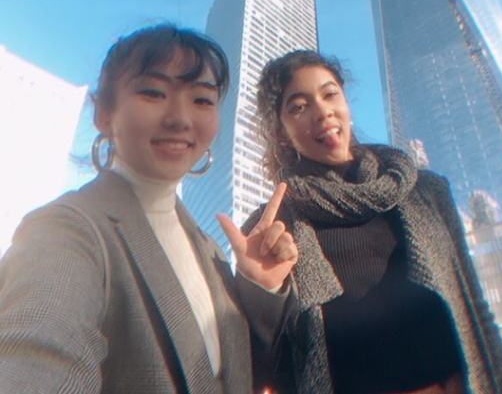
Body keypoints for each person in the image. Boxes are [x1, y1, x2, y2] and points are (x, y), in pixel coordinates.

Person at [0, 24, 298, 394]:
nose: (180, 118)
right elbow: (38, 355)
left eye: (202, 100)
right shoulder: (67, 228)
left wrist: (259, 285)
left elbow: (237, 372)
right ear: (103, 113)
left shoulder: (209, 249)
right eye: (154, 92)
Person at [244, 50, 502, 394]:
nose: (323, 111)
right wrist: (260, 290)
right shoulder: (272, 226)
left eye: (330, 94)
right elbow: (265, 362)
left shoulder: (426, 191)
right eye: (299, 106)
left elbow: (474, 307)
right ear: (281, 132)